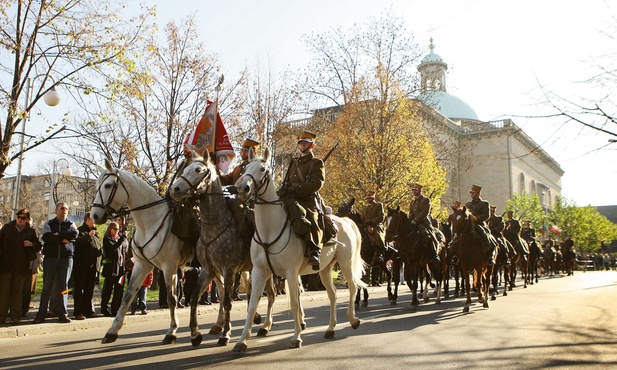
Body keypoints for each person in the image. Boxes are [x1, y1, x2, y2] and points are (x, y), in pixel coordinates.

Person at [278, 131, 325, 270]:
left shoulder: (316, 163)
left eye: (305, 143)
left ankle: (314, 250)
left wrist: (297, 188)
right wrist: (282, 191)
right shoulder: (294, 162)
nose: (302, 145)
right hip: (290, 197)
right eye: (301, 143)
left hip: (307, 199)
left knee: (310, 217)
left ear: (312, 146)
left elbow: (317, 184)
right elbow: (287, 182)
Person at [33, 202, 79, 324]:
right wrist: (63, 238)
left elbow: (74, 234)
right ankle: (41, 314)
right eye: (62, 208)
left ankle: (63, 314)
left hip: (66, 259)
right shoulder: (49, 223)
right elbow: (47, 237)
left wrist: (57, 236)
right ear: (56, 210)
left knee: (64, 286)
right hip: (51, 259)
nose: (64, 211)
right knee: (47, 287)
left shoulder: (71, 224)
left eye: (66, 209)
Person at [0, 209, 42, 325]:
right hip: (6, 266)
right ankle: (1, 316)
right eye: (18, 217)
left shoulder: (30, 231)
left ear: (27, 219)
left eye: (23, 218)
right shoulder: (7, 228)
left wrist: (31, 244)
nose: (20, 220)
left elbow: (38, 246)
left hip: (21, 267)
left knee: (17, 293)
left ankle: (15, 316)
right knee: (4, 292)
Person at [72, 212, 102, 320]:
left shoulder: (95, 233)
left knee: (89, 290)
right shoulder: (80, 231)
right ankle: (78, 312)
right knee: (79, 290)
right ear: (87, 220)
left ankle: (88, 311)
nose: (96, 223)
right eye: (94, 219)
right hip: (81, 266)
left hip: (93, 267)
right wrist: (88, 236)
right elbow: (77, 242)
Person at [465, 185, 498, 265]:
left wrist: (476, 218)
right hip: (469, 225)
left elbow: (486, 215)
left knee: (486, 237)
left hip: (479, 224)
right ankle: (455, 256)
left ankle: (490, 256)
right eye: (471, 193)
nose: (471, 194)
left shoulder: (484, 203)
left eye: (473, 193)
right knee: (458, 237)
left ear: (478, 193)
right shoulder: (468, 204)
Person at [100, 222, 128, 317]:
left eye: (118, 229)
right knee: (107, 290)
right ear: (110, 229)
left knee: (118, 290)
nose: (117, 231)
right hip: (111, 268)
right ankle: (104, 308)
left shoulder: (120, 239)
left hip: (120, 268)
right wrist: (122, 239)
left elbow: (125, 249)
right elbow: (113, 248)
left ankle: (115, 309)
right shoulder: (107, 238)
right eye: (114, 229)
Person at [408, 184, 440, 263]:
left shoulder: (425, 200)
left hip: (423, 223)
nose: (414, 191)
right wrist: (410, 219)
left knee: (428, 235)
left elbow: (424, 212)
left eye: (416, 190)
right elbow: (411, 212)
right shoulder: (412, 202)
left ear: (419, 190)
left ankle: (435, 253)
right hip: (413, 223)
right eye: (413, 190)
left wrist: (416, 220)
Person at [362, 190, 386, 265]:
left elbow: (381, 217)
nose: (368, 200)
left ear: (373, 198)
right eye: (367, 198)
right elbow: (363, 217)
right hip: (366, 225)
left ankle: (380, 253)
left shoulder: (378, 205)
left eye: (369, 198)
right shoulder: (365, 208)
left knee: (377, 234)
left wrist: (371, 221)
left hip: (376, 225)